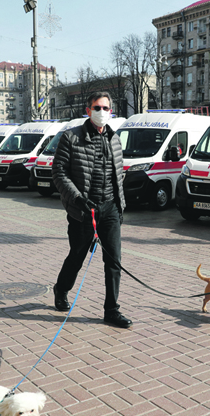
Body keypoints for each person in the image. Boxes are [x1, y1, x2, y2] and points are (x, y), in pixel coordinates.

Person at [51, 91, 130, 329]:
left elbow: (118, 173)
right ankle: (61, 288)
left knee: (114, 261)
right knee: (77, 256)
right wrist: (77, 198)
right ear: (88, 110)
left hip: (110, 209)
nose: (102, 112)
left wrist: (119, 203)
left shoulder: (114, 139)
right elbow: (59, 172)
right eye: (97, 108)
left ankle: (111, 310)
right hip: (83, 210)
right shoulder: (71, 137)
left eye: (106, 108)